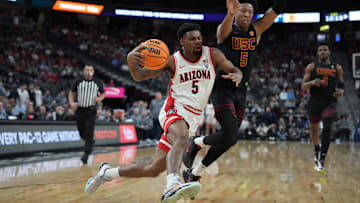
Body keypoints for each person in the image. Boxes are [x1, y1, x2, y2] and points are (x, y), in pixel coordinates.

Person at [84, 23, 243, 203]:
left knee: (152, 169)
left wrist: (237, 74)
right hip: (174, 110)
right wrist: (131, 59)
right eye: (192, 39)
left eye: (199, 38)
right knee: (182, 138)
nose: (197, 41)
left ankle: (106, 173)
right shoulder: (172, 61)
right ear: (182, 41)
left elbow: (233, 68)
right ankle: (172, 185)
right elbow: (139, 76)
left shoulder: (212, 54)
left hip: (193, 117)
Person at [182, 0, 287, 183]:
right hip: (222, 88)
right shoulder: (227, 31)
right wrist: (230, 14)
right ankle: (196, 143)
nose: (246, 14)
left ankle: (195, 170)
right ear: (236, 13)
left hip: (242, 91)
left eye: (250, 12)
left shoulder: (256, 30)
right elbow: (220, 33)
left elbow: (276, 10)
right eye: (243, 11)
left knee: (230, 139)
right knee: (231, 135)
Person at [301, 41, 344, 174]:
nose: (323, 52)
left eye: (325, 50)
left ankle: (322, 158)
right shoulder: (311, 67)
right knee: (314, 130)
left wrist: (341, 91)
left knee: (327, 124)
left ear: (329, 52)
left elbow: (341, 84)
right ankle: (316, 150)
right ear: (317, 53)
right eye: (320, 50)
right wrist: (312, 82)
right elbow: (303, 86)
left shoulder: (337, 68)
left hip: (330, 101)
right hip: (315, 101)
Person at [68, 64, 106, 164]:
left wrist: (99, 98)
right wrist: (72, 103)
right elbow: (71, 92)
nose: (88, 71)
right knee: (81, 131)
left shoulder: (97, 82)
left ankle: (86, 154)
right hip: (80, 109)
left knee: (89, 131)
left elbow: (103, 93)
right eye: (86, 69)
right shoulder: (78, 81)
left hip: (91, 110)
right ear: (83, 71)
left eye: (90, 70)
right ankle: (90, 142)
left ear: (93, 72)